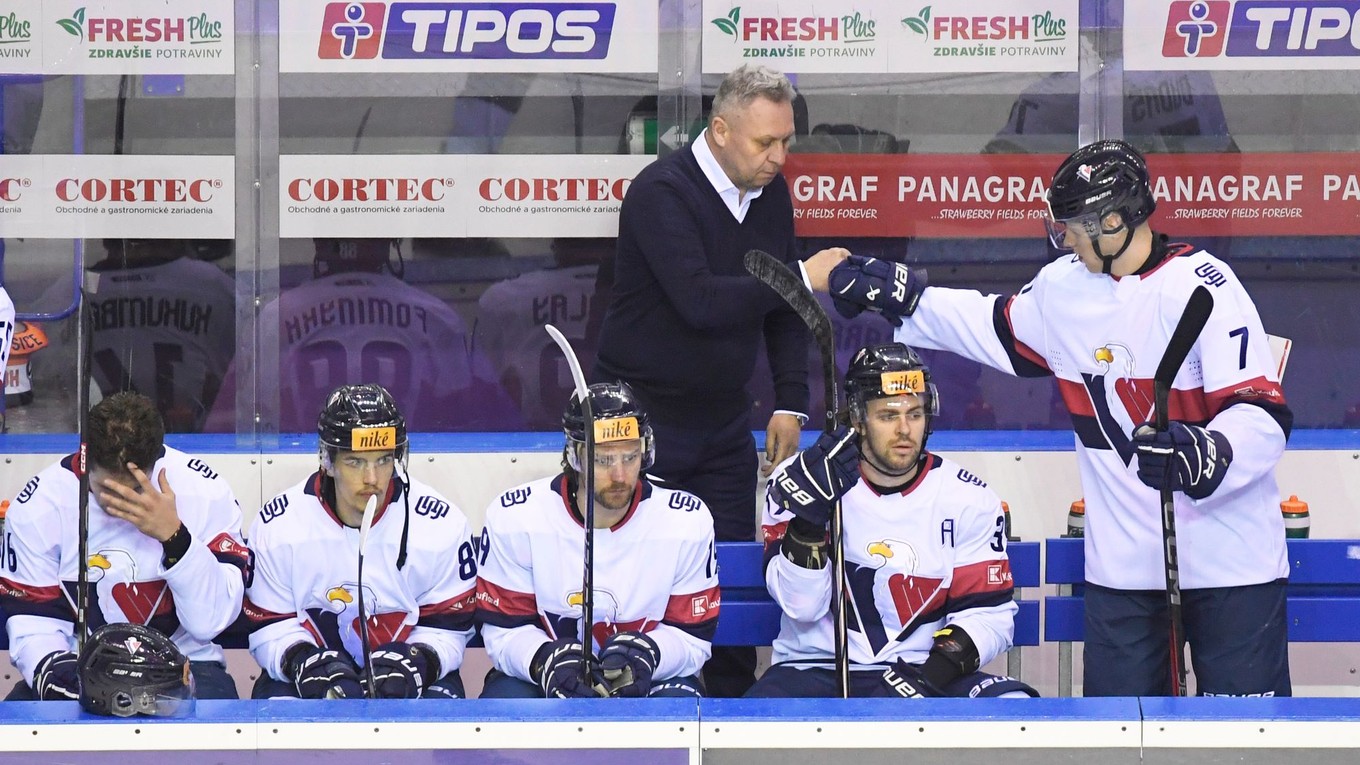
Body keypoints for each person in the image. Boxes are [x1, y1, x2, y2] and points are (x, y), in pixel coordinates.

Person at [825, 140, 1292, 697]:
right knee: (1119, 741)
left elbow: (1262, 414)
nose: (1064, 238)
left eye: (1072, 225)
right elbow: (990, 325)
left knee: (1241, 741)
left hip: (1234, 564)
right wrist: (899, 295)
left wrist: (1210, 451)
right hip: (1122, 572)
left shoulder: (1206, 288)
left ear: (1113, 221)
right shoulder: (1064, 288)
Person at [591, 63, 847, 696]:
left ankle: (730, 720)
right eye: (767, 143)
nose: (780, 157)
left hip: (724, 425)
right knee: (642, 588)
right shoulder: (661, 193)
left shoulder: (772, 194)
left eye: (787, 141)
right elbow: (701, 301)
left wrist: (790, 401)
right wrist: (799, 277)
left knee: (733, 586)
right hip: (638, 426)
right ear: (721, 129)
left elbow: (783, 309)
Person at [748, 343, 1036, 698]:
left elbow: (988, 615)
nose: (904, 430)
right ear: (857, 418)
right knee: (762, 720)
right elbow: (802, 608)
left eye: (914, 414)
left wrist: (927, 678)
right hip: (814, 669)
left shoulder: (969, 497)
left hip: (922, 667)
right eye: (888, 415)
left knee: (1014, 704)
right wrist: (809, 520)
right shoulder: (799, 479)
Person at [0, 391, 249, 701]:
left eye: (132, 489)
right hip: (80, 666)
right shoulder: (38, 506)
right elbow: (34, 623)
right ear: (85, 458)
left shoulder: (205, 491)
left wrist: (175, 538)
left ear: (157, 459)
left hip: (188, 664)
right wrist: (60, 675)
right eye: (106, 488)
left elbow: (208, 624)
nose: (118, 502)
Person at [476, 382, 719, 698]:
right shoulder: (515, 517)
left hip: (652, 679)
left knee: (679, 711)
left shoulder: (687, 520)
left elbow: (692, 638)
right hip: (542, 678)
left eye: (630, 456)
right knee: (505, 708)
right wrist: (544, 660)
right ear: (574, 455)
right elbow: (505, 633)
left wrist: (650, 654)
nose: (619, 475)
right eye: (604, 459)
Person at [243, 383, 479, 699]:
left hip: (412, 679)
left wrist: (419, 660)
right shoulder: (278, 527)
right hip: (303, 680)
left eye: (383, 460)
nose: (372, 479)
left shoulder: (441, 525)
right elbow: (269, 627)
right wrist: (302, 661)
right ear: (327, 460)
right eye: (355, 462)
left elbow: (449, 629)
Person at [206, 238, 520, 432]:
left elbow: (230, 424)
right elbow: (477, 420)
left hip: (304, 474)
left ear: (320, 243)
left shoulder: (275, 316)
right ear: (389, 243)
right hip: (405, 474)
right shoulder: (437, 316)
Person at [87, 238, 236, 433]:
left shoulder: (69, 293)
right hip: (194, 439)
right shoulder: (210, 283)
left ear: (107, 241)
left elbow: (54, 386)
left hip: (108, 443)